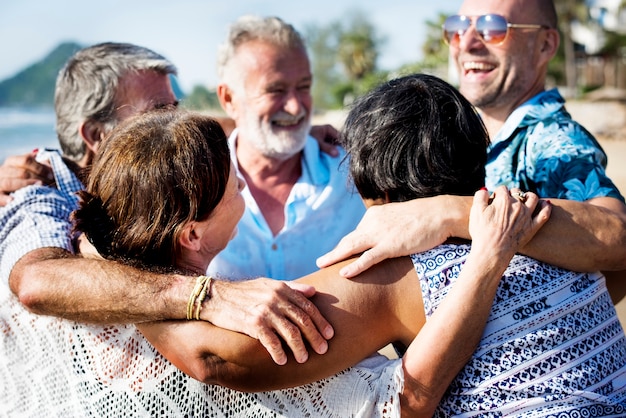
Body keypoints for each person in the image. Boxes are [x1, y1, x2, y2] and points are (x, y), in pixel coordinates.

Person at [79, 74, 626, 415]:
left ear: (372, 189)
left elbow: (217, 359)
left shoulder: (393, 271)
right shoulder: (552, 237)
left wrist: (116, 270)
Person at [0, 42, 334, 368]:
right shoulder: (42, 189)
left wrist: (295, 132)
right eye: (159, 112)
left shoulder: (140, 179)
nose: (176, 124)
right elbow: (36, 281)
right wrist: (206, 297)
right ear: (95, 135)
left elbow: (201, 132)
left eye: (175, 109)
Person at [317, 0, 626, 296]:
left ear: (545, 44)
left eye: (492, 28)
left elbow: (619, 236)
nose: (466, 44)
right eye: (458, 28)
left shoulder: (552, 141)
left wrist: (447, 213)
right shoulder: (469, 125)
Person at [207, 15, 366, 281]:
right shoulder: (192, 190)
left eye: (304, 87)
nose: (295, 107)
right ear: (229, 98)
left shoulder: (356, 178)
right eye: (275, 90)